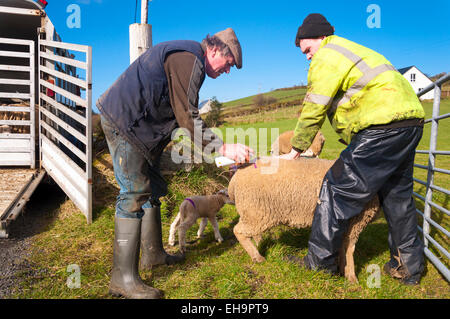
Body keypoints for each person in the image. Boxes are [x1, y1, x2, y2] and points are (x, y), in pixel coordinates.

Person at [97, 28, 254, 299]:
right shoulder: (188, 58)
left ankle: (154, 255)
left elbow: (178, 112)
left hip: (142, 131)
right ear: (214, 50)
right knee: (134, 193)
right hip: (127, 124)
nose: (228, 71)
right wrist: (223, 147)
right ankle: (122, 279)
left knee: (150, 190)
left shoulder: (191, 62)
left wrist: (218, 156)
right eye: (228, 64)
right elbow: (187, 116)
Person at [280, 13, 426, 285]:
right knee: (397, 196)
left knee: (336, 189)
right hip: (410, 122)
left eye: (308, 50)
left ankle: (319, 265)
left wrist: (296, 148)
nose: (308, 57)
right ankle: (409, 268)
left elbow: (315, 105)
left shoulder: (328, 55)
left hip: (380, 126)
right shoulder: (355, 50)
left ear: (321, 38)